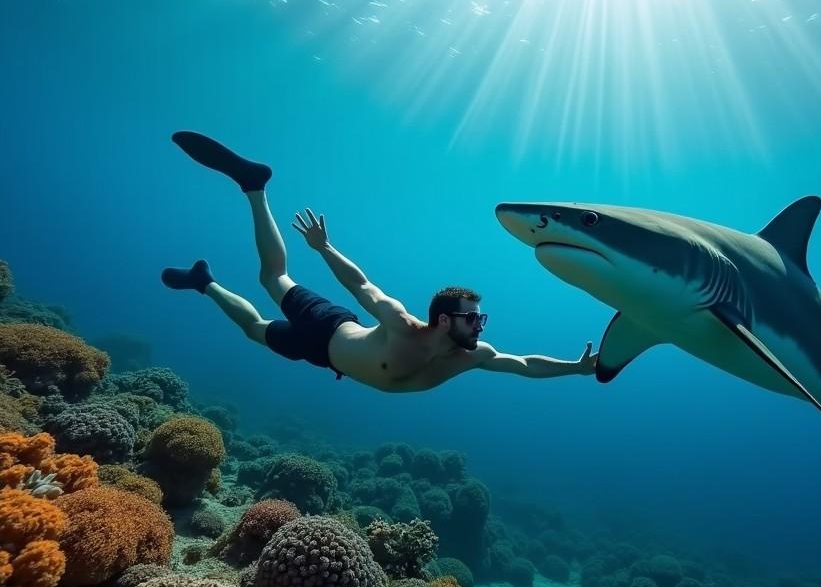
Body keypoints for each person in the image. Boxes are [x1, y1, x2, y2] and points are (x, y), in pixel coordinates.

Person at [161, 131, 597, 392]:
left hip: (325, 359)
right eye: (473, 320)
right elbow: (362, 286)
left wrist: (574, 369)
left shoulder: (473, 356)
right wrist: (325, 249)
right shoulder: (401, 324)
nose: (481, 327)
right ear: (445, 320)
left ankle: (204, 282)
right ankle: (254, 186)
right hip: (328, 325)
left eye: (480, 320)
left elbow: (523, 365)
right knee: (273, 278)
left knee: (254, 331)